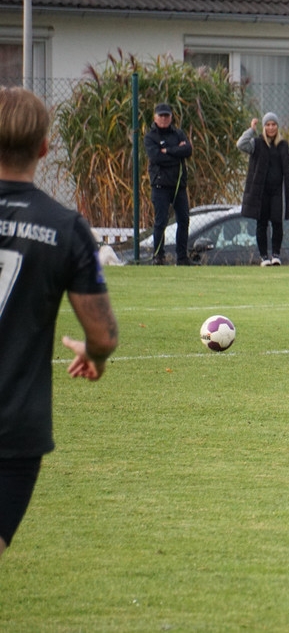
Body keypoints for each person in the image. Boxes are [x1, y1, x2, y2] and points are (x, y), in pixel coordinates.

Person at [0, 87, 119, 559]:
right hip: (13, 428)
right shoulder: (65, 227)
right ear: (45, 148)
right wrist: (94, 355)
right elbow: (103, 335)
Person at [237, 112, 289, 267]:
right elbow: (241, 144)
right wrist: (251, 130)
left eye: (273, 124)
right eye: (268, 125)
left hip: (278, 191)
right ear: (264, 127)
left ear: (277, 126)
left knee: (277, 223)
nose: (271, 128)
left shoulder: (284, 145)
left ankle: (276, 255)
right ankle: (264, 257)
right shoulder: (256, 144)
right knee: (261, 224)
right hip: (261, 191)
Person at [143, 102, 194, 265]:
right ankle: (158, 256)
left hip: (179, 185)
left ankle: (182, 257)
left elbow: (188, 150)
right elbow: (157, 157)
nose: (164, 118)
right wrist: (177, 154)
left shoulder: (178, 133)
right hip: (160, 186)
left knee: (184, 220)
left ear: (171, 117)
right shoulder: (150, 137)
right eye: (161, 116)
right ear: (155, 117)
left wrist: (169, 150)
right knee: (161, 221)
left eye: (167, 115)